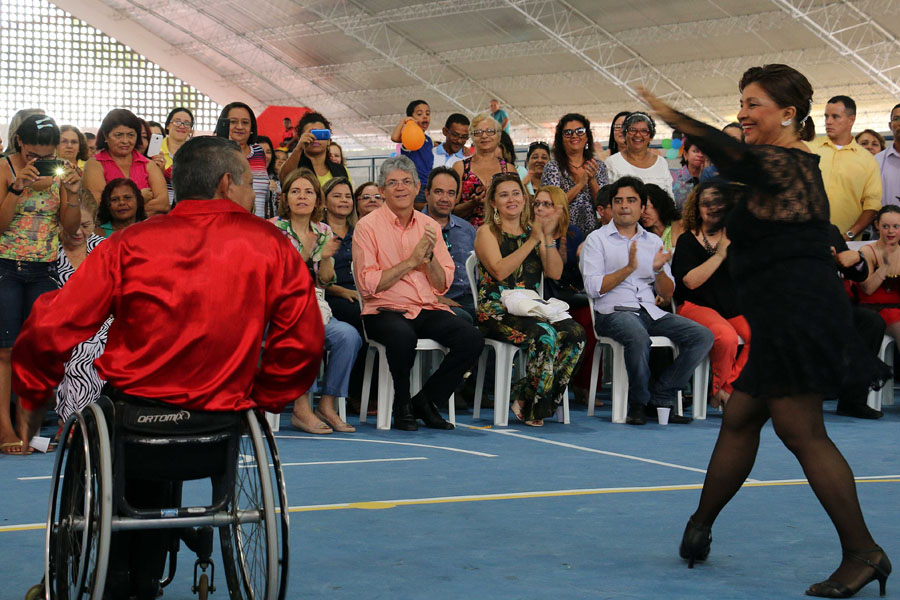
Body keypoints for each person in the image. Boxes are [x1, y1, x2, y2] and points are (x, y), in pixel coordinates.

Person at [11, 135, 323, 598]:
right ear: (226, 184)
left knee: (101, 424)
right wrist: (266, 396)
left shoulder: (129, 243)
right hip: (219, 422)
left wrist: (34, 393)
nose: (251, 193)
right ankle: (139, 571)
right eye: (247, 183)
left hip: (132, 420)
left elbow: (49, 326)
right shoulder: (270, 245)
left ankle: (96, 565)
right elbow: (304, 342)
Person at [640, 64, 891, 597]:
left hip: (797, 315)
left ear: (788, 114)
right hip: (781, 315)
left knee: (801, 432)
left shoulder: (787, 163)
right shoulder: (778, 168)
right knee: (740, 417)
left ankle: (864, 552)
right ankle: (699, 526)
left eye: (754, 104)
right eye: (742, 103)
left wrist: (672, 116)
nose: (743, 113)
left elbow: (733, 155)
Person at [352, 156, 484, 431]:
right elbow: (368, 285)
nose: (400, 187)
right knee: (403, 336)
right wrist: (411, 262)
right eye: (392, 183)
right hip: (383, 310)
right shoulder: (367, 226)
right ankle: (402, 405)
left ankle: (425, 400)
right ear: (382, 190)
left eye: (406, 182)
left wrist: (429, 259)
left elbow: (442, 284)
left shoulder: (429, 226)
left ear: (416, 188)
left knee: (471, 338)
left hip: (425, 306)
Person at [580, 176, 713, 425]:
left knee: (702, 336)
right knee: (638, 336)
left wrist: (659, 270)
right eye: (618, 201)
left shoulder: (652, 241)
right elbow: (593, 287)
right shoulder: (597, 240)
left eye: (631, 200)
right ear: (611, 206)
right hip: (613, 312)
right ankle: (638, 403)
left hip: (649, 311)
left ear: (642, 208)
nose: (624, 206)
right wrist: (628, 269)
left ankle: (661, 394)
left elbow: (668, 292)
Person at [1, 114, 82, 455]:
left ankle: (30, 430)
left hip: (44, 269)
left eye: (47, 156)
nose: (38, 161)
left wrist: (73, 193)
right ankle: (5, 429)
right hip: (5, 266)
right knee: (6, 352)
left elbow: (70, 227)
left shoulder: (59, 172)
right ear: (19, 142)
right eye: (32, 154)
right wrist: (16, 188)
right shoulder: (4, 167)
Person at [474, 174, 584, 426]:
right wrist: (533, 240)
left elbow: (554, 273)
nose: (511, 199)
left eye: (516, 193)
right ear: (493, 203)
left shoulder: (532, 231)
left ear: (524, 199)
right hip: (496, 310)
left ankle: (526, 397)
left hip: (532, 308)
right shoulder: (487, 232)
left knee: (575, 333)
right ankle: (535, 407)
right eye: (504, 195)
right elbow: (500, 271)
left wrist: (546, 237)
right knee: (545, 335)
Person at [269, 168, 361, 434]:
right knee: (307, 332)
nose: (302, 197)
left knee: (349, 336)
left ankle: (326, 405)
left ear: (317, 200)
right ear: (285, 198)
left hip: (315, 303)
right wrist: (308, 252)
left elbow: (325, 281)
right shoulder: (272, 229)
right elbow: (277, 278)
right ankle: (301, 408)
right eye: (295, 191)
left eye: (309, 192)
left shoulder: (323, 230)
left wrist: (328, 256)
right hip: (279, 308)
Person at [672, 181, 749, 409]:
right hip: (695, 306)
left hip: (732, 308)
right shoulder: (687, 240)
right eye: (706, 203)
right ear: (697, 209)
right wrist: (719, 255)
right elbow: (690, 282)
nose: (713, 208)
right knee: (725, 336)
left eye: (719, 203)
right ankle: (721, 394)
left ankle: (726, 389)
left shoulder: (739, 240)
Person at [54, 189, 112, 422]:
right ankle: (79, 422)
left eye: (86, 225)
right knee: (80, 350)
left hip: (105, 321)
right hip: (61, 323)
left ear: (96, 219)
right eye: (71, 225)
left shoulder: (106, 248)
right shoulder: (49, 251)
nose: (78, 232)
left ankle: (84, 422)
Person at [826, 224, 885, 420]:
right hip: (792, 307)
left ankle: (852, 401)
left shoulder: (830, 231)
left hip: (832, 309)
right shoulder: (780, 232)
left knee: (871, 322)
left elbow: (858, 274)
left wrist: (857, 260)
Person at [809, 95, 881, 240]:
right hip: (808, 239)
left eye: (835, 116)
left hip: (847, 243)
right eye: (826, 116)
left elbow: (872, 205)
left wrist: (849, 235)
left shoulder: (867, 160)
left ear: (851, 120)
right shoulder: (809, 149)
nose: (828, 121)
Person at [83, 108, 168, 216]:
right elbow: (99, 206)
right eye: (118, 135)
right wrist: (140, 198)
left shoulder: (148, 164)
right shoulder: (95, 164)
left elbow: (163, 204)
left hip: (147, 226)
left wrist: (122, 208)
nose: (125, 141)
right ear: (105, 135)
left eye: (131, 135)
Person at [421, 166, 476, 321]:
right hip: (432, 303)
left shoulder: (467, 229)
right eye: (439, 192)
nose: (445, 199)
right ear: (427, 194)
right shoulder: (413, 228)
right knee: (463, 319)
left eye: (451, 193)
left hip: (470, 299)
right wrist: (435, 298)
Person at [541, 113, 609, 235]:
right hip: (560, 234)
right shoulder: (553, 167)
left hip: (593, 235)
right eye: (568, 132)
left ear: (587, 137)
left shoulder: (597, 166)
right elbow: (552, 205)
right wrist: (580, 185)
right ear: (561, 139)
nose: (574, 135)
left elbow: (603, 206)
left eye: (580, 131)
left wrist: (592, 180)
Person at [452, 113, 511, 227]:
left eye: (490, 131)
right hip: (467, 234)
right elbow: (451, 210)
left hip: (502, 232)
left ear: (498, 136)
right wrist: (472, 204)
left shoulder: (508, 169)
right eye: (478, 132)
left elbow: (517, 207)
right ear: (472, 137)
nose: (484, 136)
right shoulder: (460, 167)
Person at [213, 102, 269, 218]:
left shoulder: (258, 152)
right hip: (227, 222)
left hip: (259, 222)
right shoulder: (215, 152)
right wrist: (225, 148)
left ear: (252, 127)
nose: (239, 127)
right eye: (233, 122)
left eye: (245, 122)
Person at [857, 205, 900, 344]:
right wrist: (885, 266)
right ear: (877, 225)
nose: (891, 231)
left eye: (896, 226)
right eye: (885, 226)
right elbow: (867, 289)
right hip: (873, 310)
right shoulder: (867, 251)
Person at [605, 112, 674, 197]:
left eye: (644, 131)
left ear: (651, 136)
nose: (638, 135)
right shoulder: (612, 163)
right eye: (632, 130)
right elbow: (607, 198)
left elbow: (670, 198)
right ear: (625, 134)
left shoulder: (661, 163)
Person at [279, 111, 351, 189]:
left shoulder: (341, 171)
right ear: (301, 139)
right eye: (310, 134)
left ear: (329, 140)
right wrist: (298, 148)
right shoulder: (295, 167)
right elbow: (284, 180)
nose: (315, 139)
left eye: (319, 134)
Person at [391, 100, 433, 208]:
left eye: (427, 113)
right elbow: (394, 138)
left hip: (429, 184)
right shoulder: (409, 137)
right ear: (411, 118)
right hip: (415, 185)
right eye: (419, 114)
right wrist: (404, 121)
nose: (425, 116)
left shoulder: (428, 140)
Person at [150, 106, 193, 207]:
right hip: (158, 205)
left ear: (191, 129)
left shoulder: (196, 152)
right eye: (177, 122)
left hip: (185, 206)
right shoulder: (155, 149)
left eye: (187, 123)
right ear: (168, 126)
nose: (182, 126)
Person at [640, 184, 683, 252]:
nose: (641, 213)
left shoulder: (681, 225)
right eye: (639, 209)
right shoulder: (641, 235)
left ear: (658, 205)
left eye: (645, 208)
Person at [671, 137, 707, 208]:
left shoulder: (712, 178)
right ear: (685, 154)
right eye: (695, 151)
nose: (700, 155)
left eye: (704, 152)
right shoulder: (671, 176)